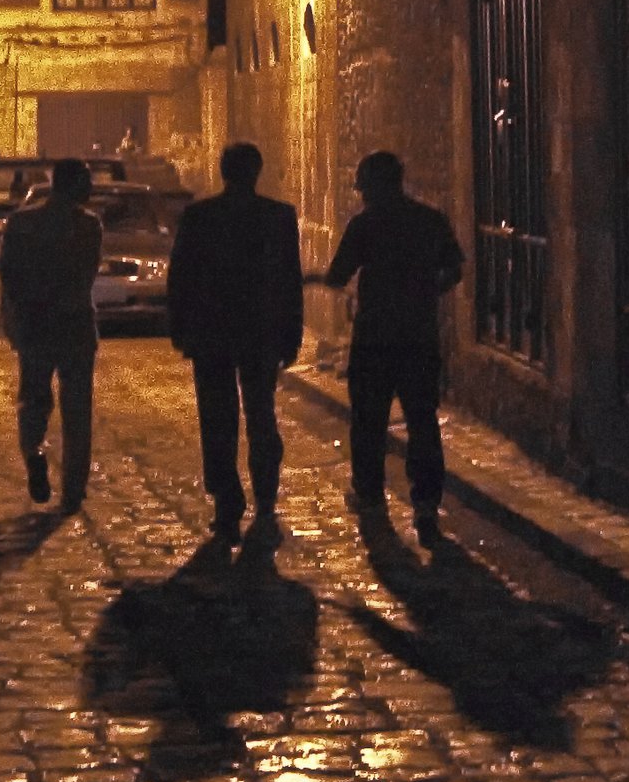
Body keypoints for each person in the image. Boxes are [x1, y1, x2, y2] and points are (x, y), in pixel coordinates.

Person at [165, 140, 305, 544]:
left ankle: (227, 501)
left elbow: (181, 278)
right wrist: (291, 333)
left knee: (217, 418)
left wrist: (180, 328)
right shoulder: (278, 217)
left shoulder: (199, 216)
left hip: (211, 333)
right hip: (260, 332)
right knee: (262, 415)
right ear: (257, 171)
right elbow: (288, 282)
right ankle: (265, 498)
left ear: (223, 171)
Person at [322, 150, 463, 536]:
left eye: (364, 188)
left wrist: (324, 280)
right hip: (418, 334)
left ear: (372, 187)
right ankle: (426, 503)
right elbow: (454, 267)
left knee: (369, 420)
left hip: (375, 337)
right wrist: (428, 288)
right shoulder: (430, 220)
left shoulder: (365, 225)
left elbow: (338, 274)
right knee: (422, 420)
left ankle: (369, 494)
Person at [0, 159, 101, 510]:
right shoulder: (88, 227)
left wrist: (15, 320)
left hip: (36, 322)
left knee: (33, 398)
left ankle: (34, 453)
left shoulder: (21, 223)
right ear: (73, 186)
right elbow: (86, 275)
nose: (91, 189)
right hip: (74, 323)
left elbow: (9, 278)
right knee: (77, 409)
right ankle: (73, 488)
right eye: (86, 182)